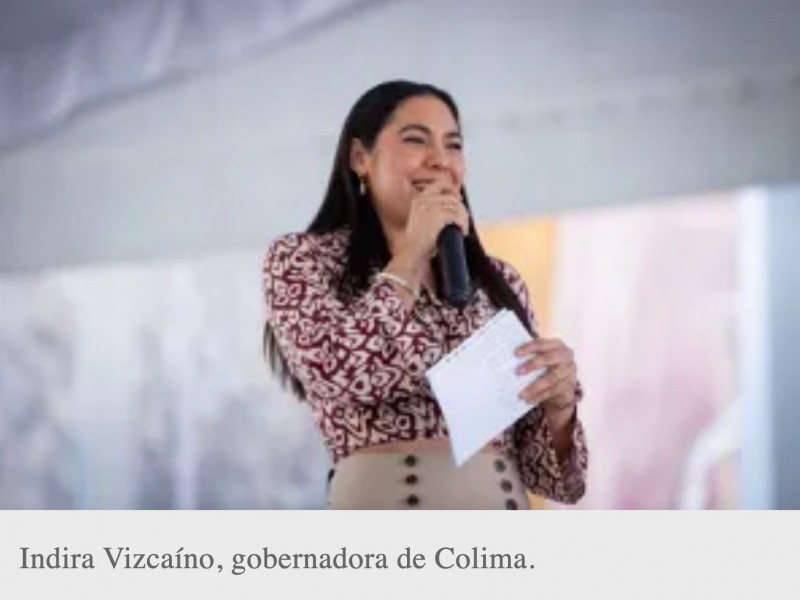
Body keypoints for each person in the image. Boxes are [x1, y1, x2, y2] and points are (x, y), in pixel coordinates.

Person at [262, 80, 587, 509]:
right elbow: (338, 370)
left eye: (454, 146)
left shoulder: (499, 282)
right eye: (416, 140)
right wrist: (411, 253)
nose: (440, 160)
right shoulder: (304, 259)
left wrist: (559, 408)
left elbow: (559, 482)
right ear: (360, 158)